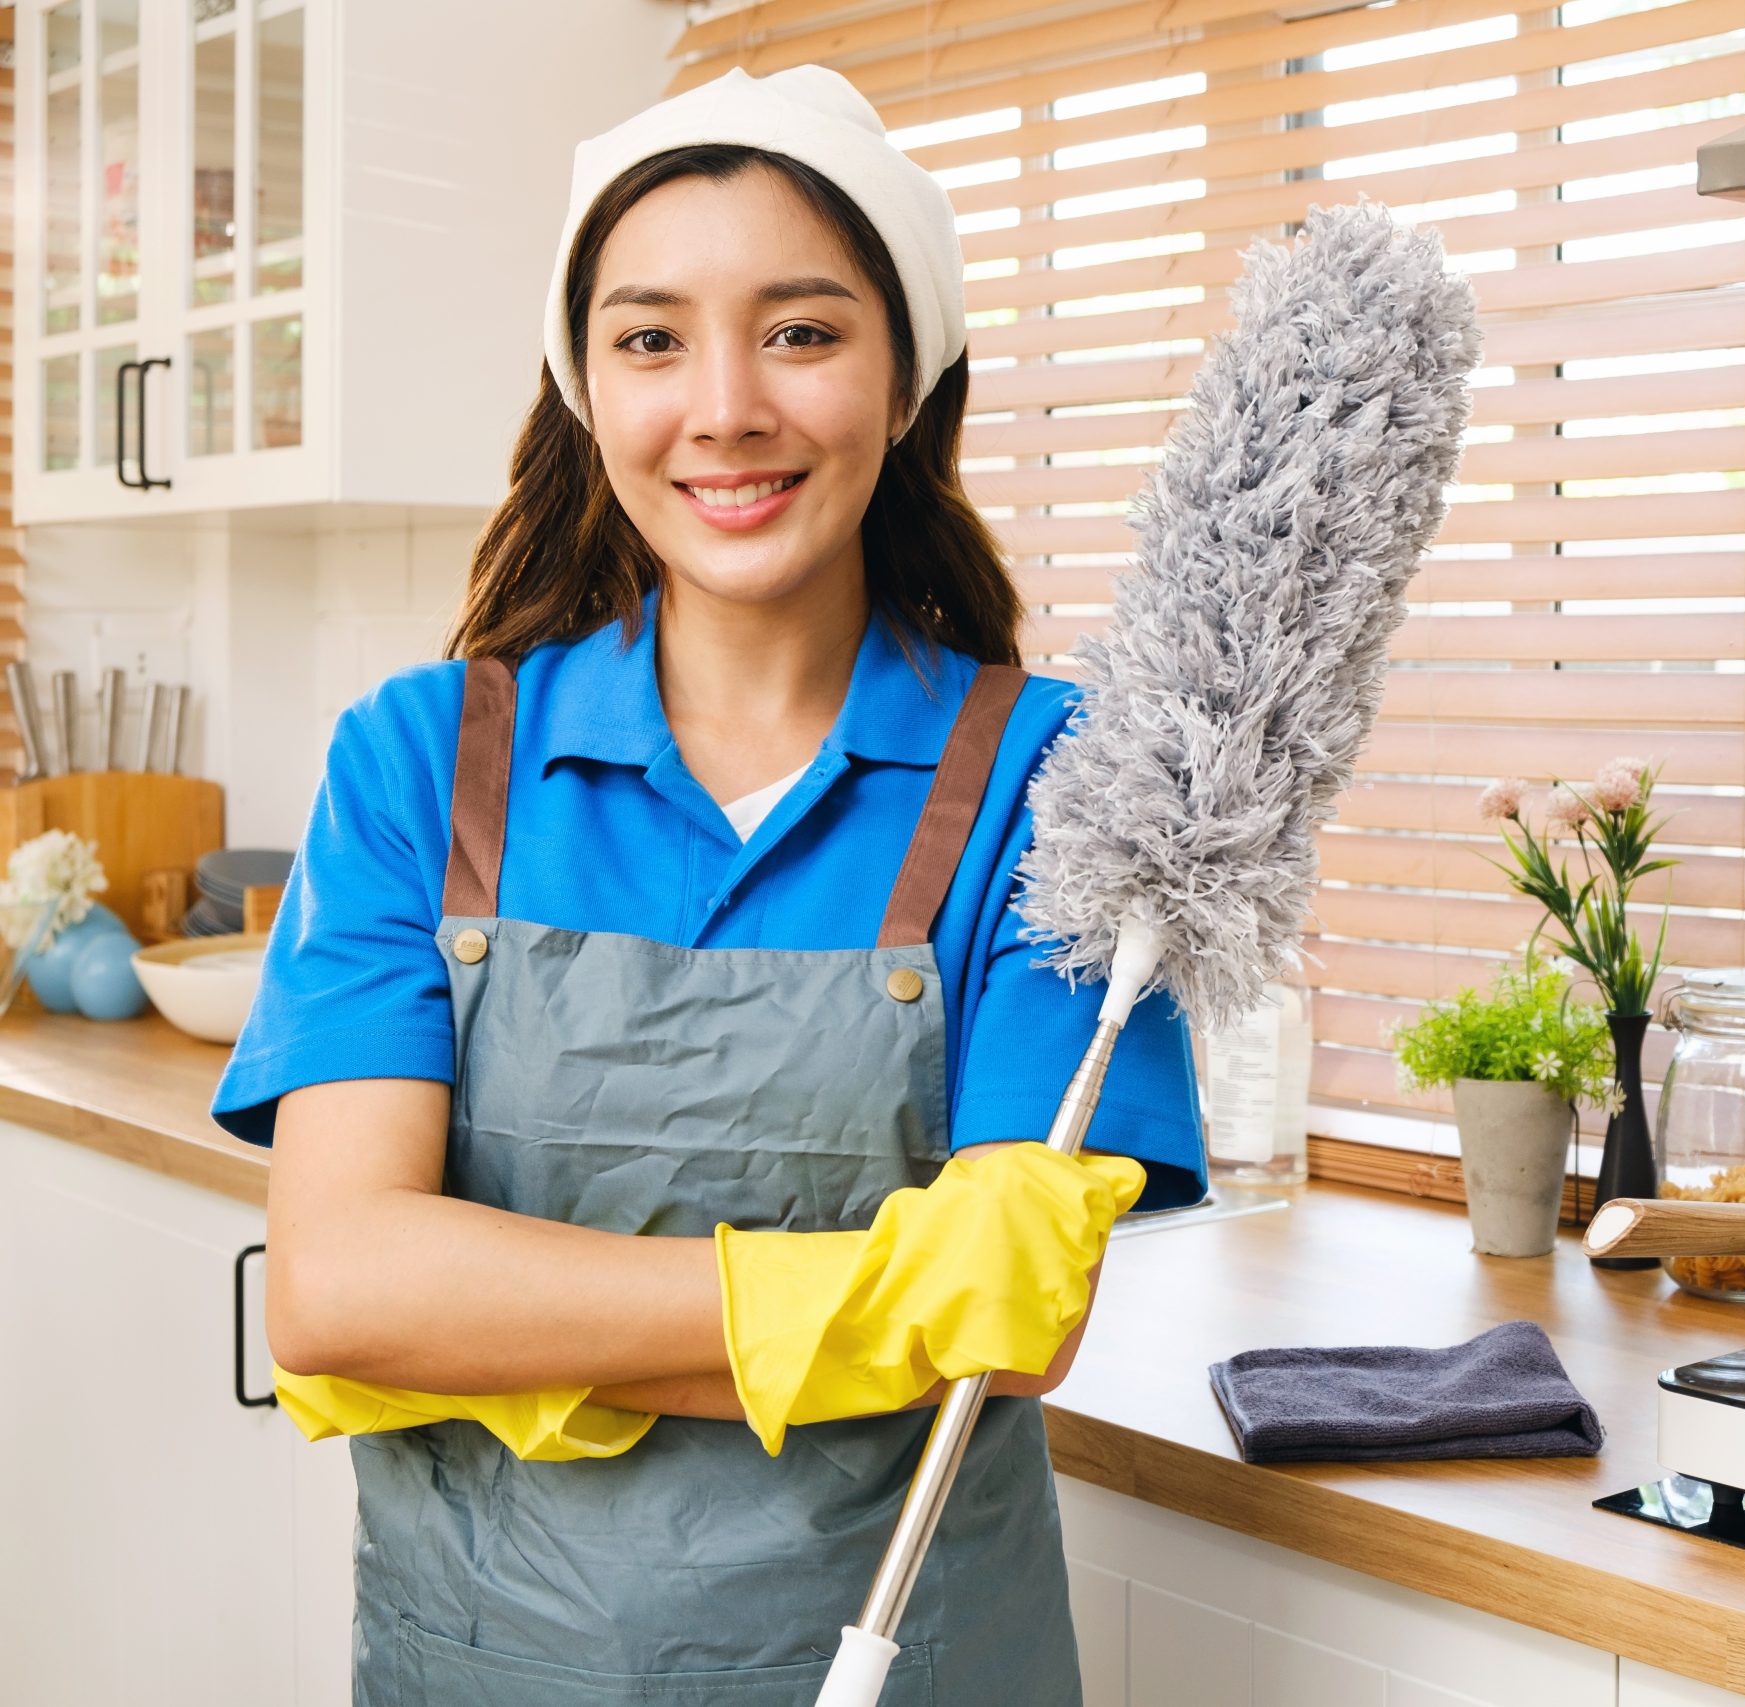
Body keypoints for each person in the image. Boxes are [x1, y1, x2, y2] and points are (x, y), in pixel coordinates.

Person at [209, 64, 1206, 1707]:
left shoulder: (1063, 784)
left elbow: (1018, 1328)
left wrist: (503, 1315)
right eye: (652, 337)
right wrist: (869, 1300)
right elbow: (337, 1288)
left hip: (922, 1666)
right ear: (587, 391)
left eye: (803, 332)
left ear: (906, 381)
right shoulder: (421, 758)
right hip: (486, 1669)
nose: (726, 405)